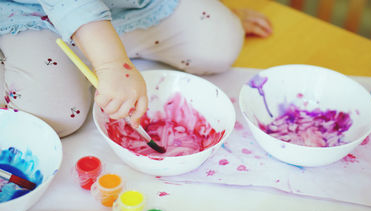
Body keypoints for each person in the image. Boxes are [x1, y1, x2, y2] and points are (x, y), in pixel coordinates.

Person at [0, 0, 272, 137]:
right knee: (51, 117)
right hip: (39, 16)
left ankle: (101, 47)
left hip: (134, 8)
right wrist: (111, 63)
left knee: (220, 43)